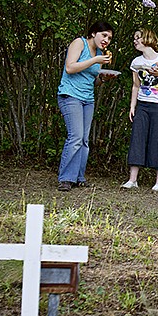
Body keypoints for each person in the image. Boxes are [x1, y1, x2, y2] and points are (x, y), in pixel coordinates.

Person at [57, 21, 115, 192]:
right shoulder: (79, 43)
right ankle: (66, 178)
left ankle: (79, 177)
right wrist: (95, 60)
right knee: (75, 137)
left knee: (84, 140)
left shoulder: (100, 54)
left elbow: (94, 80)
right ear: (93, 33)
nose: (106, 40)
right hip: (70, 96)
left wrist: (104, 78)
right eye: (104, 35)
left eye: (109, 38)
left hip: (87, 98)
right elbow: (70, 67)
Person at [121, 28, 158, 191]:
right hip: (143, 105)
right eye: (134, 38)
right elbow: (135, 85)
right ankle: (133, 180)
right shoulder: (135, 62)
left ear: (147, 39)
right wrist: (132, 106)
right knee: (137, 139)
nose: (135, 41)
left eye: (137, 38)